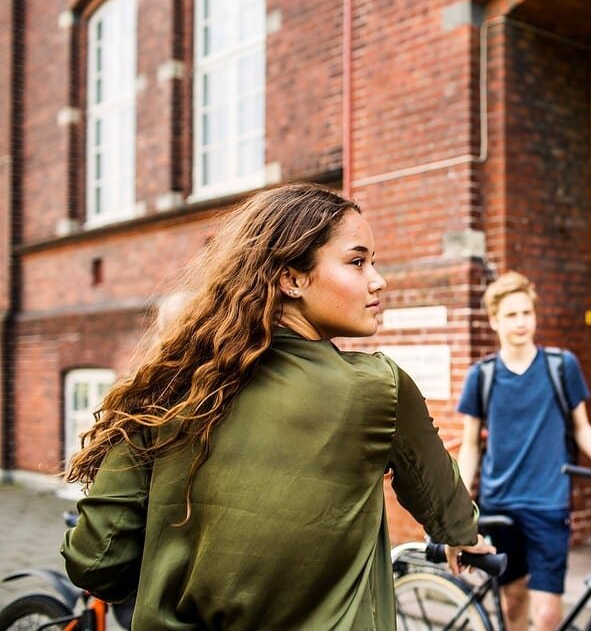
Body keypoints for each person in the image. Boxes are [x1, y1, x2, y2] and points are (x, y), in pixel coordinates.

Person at [61, 183, 492, 630]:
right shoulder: (378, 388)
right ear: (291, 279)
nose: (378, 279)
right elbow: (443, 500)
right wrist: (463, 537)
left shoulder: (168, 384)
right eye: (357, 261)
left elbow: (95, 562)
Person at [456, 271, 591, 631]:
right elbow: (470, 444)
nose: (521, 322)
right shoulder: (481, 376)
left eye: (526, 313)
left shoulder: (560, 366)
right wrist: (455, 499)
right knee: (512, 601)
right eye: (511, 315)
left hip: (548, 504)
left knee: (549, 612)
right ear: (494, 321)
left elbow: (582, 428)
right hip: (499, 503)